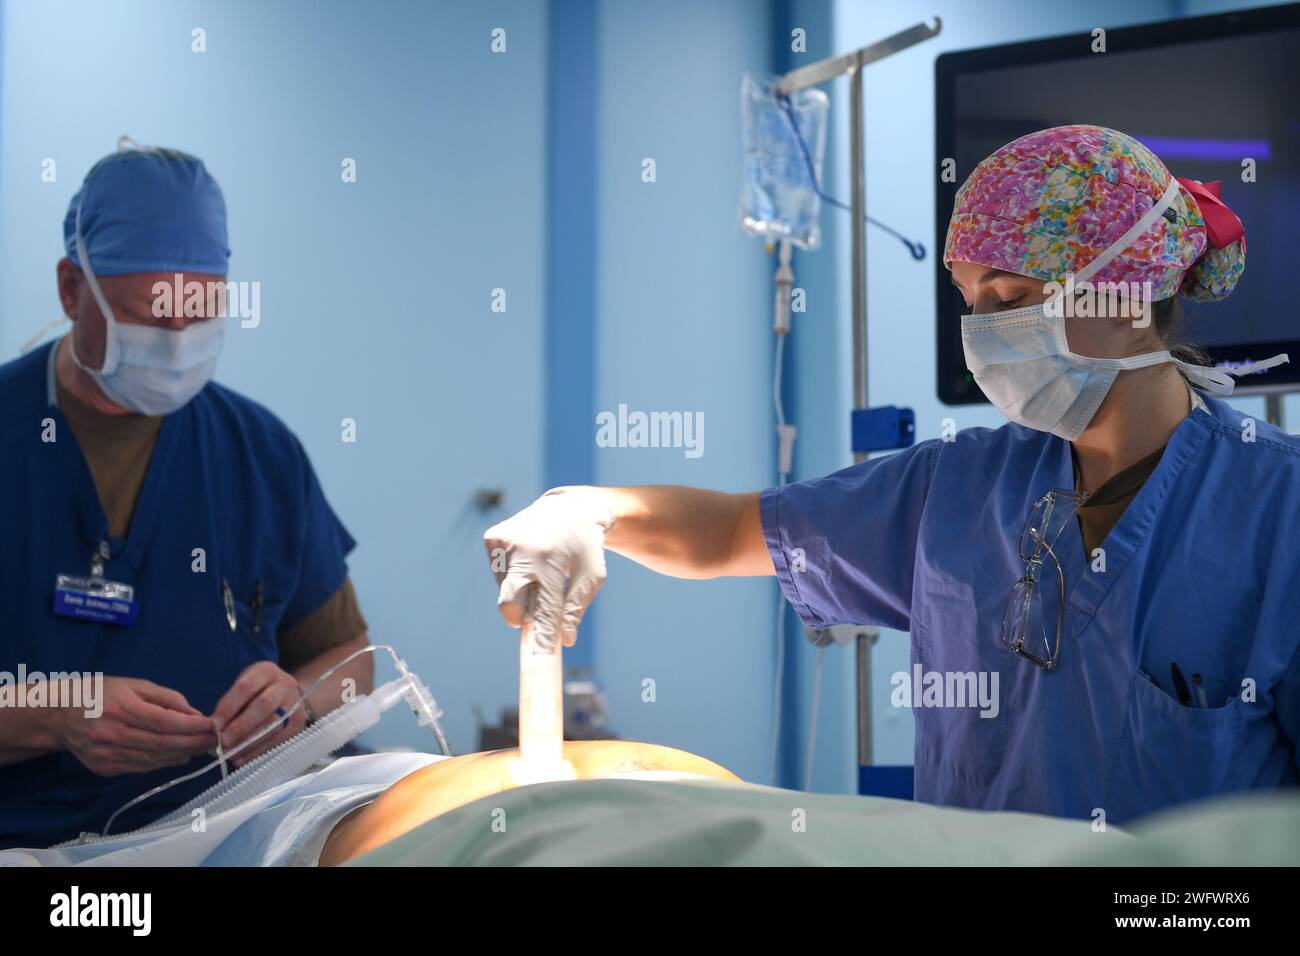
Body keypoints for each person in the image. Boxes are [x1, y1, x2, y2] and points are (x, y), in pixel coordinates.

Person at [483, 125, 1300, 825]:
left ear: (1128, 295)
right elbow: (733, 532)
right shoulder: (956, 490)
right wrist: (587, 511)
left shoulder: (1278, 512)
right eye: (971, 300)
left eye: (1010, 296)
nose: (983, 334)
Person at [0, 144, 372, 848]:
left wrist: (299, 700)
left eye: (200, 315)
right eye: (151, 318)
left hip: (227, 834)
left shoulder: (260, 453)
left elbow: (350, 659)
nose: (178, 345)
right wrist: (52, 716)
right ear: (72, 290)